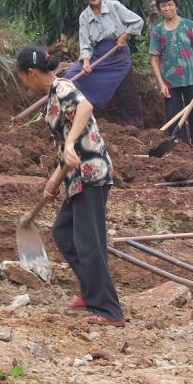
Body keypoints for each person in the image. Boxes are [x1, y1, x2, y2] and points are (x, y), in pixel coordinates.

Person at [15, 46, 125, 327]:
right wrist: (55, 178)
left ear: (31, 73)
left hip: (91, 172)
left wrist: (73, 143)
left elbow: (85, 108)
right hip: (76, 176)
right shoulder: (53, 95)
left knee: (89, 243)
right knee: (63, 233)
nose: (24, 85)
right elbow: (64, 146)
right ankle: (91, 293)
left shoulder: (61, 87)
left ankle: (109, 310)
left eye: (23, 79)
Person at [66, 0, 145, 128]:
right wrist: (86, 62)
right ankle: (71, 118)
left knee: (127, 92)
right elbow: (85, 44)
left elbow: (137, 21)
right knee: (69, 78)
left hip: (118, 54)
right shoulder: (84, 16)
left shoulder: (114, 6)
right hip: (99, 56)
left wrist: (124, 36)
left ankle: (134, 127)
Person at [149, 0, 193, 151]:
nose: (167, 8)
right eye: (163, 6)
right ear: (159, 9)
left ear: (176, 6)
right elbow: (154, 59)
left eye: (170, 4)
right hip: (170, 82)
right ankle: (180, 150)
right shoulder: (157, 31)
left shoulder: (189, 25)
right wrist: (161, 84)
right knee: (174, 116)